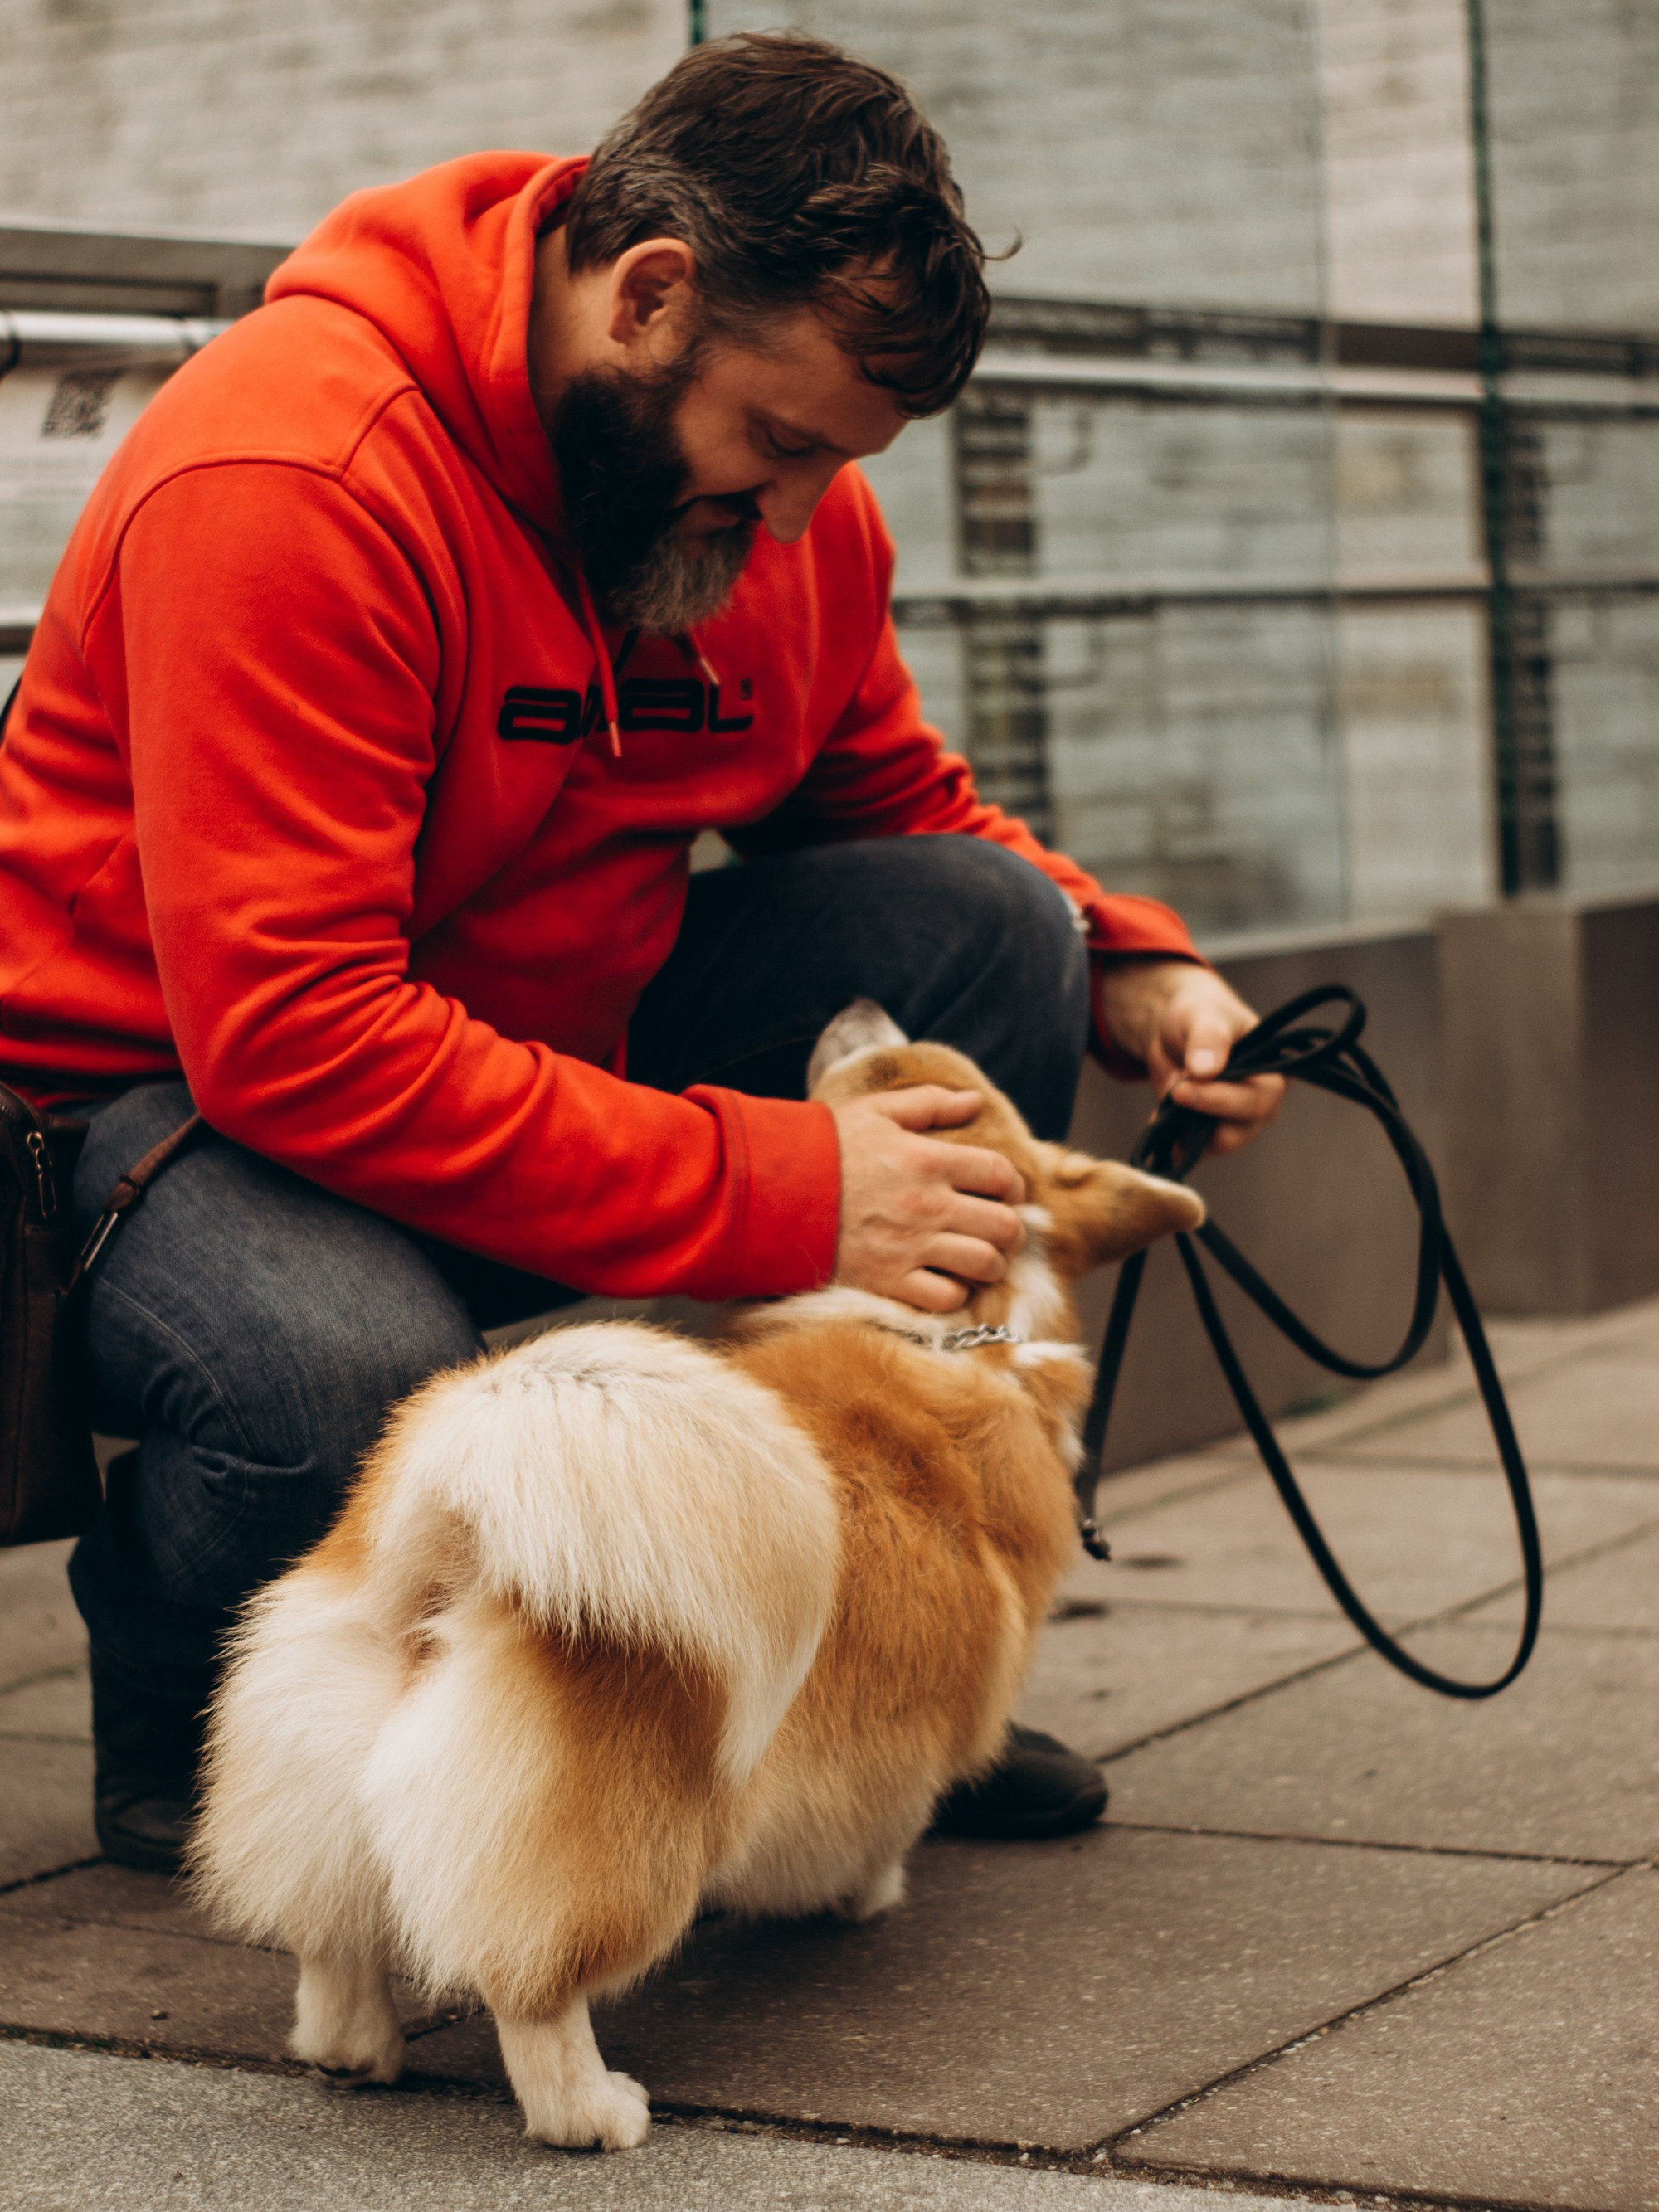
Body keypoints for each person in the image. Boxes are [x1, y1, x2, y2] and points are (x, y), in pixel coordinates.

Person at [0, 34, 1282, 1874]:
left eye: (832, 466)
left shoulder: (770, 504)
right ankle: (205, 1709)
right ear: (651, 296)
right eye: (775, 444)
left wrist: (1131, 964)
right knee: (347, 1364)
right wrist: (784, 1186)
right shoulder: (300, 465)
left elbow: (888, 798)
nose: (790, 517)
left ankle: (866, 1671)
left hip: (527, 1032)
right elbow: (293, 1032)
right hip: (171, 1097)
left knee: (986, 925)